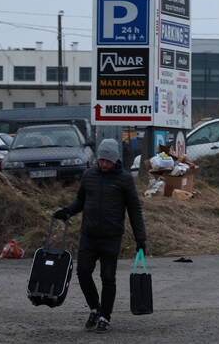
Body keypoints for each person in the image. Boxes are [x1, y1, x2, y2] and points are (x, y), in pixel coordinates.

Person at [52, 138, 147, 333]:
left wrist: (141, 239)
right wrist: (66, 211)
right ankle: (95, 308)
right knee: (83, 273)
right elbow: (80, 202)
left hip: (111, 237)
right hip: (89, 235)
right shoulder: (89, 176)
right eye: (101, 160)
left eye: (107, 161)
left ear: (115, 160)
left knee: (108, 277)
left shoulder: (125, 179)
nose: (103, 164)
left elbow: (134, 210)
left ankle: (105, 315)